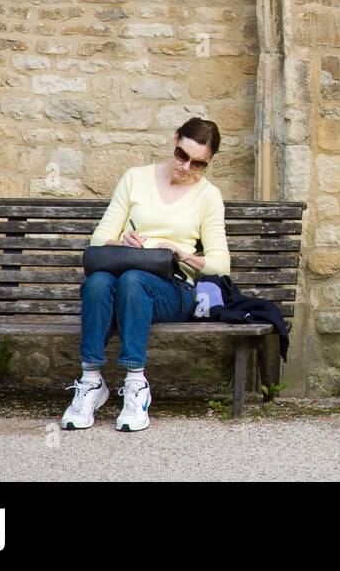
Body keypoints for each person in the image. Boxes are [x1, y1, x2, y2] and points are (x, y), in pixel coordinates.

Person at [61, 117, 231, 431]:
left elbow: (221, 264)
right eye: (182, 155)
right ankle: (90, 382)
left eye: (198, 164)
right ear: (175, 139)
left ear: (208, 163)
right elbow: (98, 241)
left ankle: (136, 385)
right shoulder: (135, 179)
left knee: (133, 280)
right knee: (98, 282)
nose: (186, 167)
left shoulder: (208, 196)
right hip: (123, 275)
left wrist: (179, 252)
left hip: (173, 288)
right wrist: (121, 240)